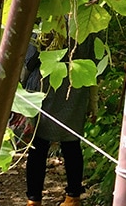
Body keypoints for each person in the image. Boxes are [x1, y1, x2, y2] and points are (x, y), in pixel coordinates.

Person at [22, 42, 91, 206]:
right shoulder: (84, 27)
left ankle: (33, 199)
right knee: (72, 143)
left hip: (45, 83)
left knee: (38, 145)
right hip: (76, 84)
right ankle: (73, 197)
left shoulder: (47, 18)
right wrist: (92, 100)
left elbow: (30, 58)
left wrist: (23, 82)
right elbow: (92, 59)